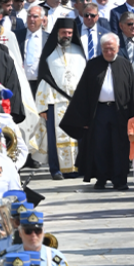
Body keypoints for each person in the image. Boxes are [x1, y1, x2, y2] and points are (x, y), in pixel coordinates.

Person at [62, 33, 134, 190]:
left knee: (119, 147)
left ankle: (119, 180)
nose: (109, 52)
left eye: (112, 49)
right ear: (101, 49)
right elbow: (83, 92)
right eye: (106, 49)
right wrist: (83, 119)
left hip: (119, 112)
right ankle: (101, 178)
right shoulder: (93, 65)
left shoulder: (125, 64)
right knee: (99, 146)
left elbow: (133, 90)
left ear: (117, 48)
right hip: (99, 112)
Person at [35, 18, 86, 180]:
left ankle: (76, 168)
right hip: (55, 103)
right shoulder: (49, 53)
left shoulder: (79, 52)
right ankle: (56, 170)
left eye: (70, 33)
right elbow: (44, 79)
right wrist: (42, 106)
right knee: (55, 138)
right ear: (57, 32)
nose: (67, 36)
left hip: (77, 103)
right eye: (64, 32)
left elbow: (85, 79)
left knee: (76, 137)